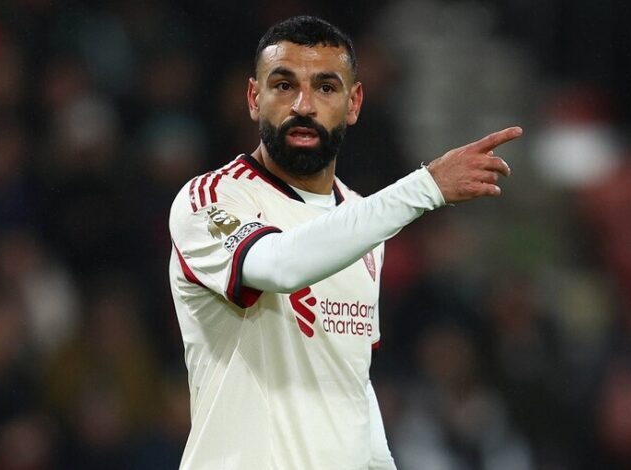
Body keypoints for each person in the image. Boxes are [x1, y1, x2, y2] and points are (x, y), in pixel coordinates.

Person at [168, 15, 522, 470]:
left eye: (325, 87)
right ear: (254, 98)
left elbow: (351, 380)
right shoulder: (211, 199)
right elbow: (278, 265)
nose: (304, 105)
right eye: (283, 85)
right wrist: (426, 186)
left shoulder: (361, 224)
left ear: (353, 103)